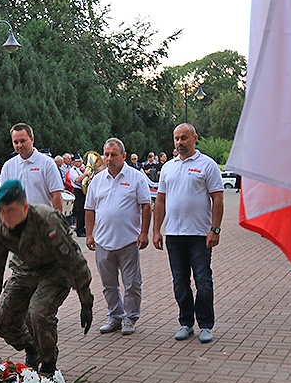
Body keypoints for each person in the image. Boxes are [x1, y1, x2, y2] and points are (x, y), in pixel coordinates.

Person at [0, 180, 94, 375]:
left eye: (11, 210)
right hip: (24, 271)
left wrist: (86, 300)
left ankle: (48, 364)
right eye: (1, 211)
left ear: (24, 207)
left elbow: (73, 260)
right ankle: (31, 348)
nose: (5, 216)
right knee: (4, 323)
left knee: (38, 313)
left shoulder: (46, 219)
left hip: (54, 271)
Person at [153, 124, 224, 344]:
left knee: (203, 280)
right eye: (176, 139)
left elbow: (218, 198)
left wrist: (215, 228)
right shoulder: (168, 167)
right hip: (174, 234)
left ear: (195, 138)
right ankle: (186, 323)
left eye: (184, 138)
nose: (179, 142)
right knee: (180, 281)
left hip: (199, 235)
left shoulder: (207, 165)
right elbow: (161, 200)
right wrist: (156, 230)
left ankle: (205, 325)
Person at [84, 138, 152, 335]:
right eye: (106, 154)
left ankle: (130, 318)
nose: (108, 158)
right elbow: (89, 209)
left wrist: (144, 232)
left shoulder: (136, 177)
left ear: (123, 156)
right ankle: (115, 316)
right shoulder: (97, 180)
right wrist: (89, 234)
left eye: (113, 155)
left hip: (128, 241)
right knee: (108, 285)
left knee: (132, 284)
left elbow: (146, 206)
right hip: (103, 242)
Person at [0, 123, 64, 211]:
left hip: (43, 220)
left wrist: (57, 222)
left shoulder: (47, 163)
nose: (19, 145)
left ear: (32, 139)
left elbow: (56, 195)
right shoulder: (8, 166)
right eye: (16, 142)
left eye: (23, 141)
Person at [68, 154, 87, 237]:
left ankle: (83, 229)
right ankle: (79, 230)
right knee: (79, 212)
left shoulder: (79, 170)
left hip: (82, 191)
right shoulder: (73, 170)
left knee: (83, 212)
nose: (80, 163)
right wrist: (85, 174)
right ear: (74, 162)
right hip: (77, 191)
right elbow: (77, 180)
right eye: (78, 161)